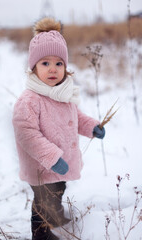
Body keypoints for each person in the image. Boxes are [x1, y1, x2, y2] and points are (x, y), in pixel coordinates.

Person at [12, 17, 105, 240]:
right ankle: (41, 233)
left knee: (58, 191)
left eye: (58, 63)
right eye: (45, 63)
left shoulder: (63, 94)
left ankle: (57, 216)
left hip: (61, 164)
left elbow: (77, 117)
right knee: (43, 200)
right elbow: (27, 134)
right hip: (42, 165)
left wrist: (92, 127)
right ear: (33, 68)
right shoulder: (29, 100)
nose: (53, 69)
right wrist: (52, 157)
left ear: (65, 66)